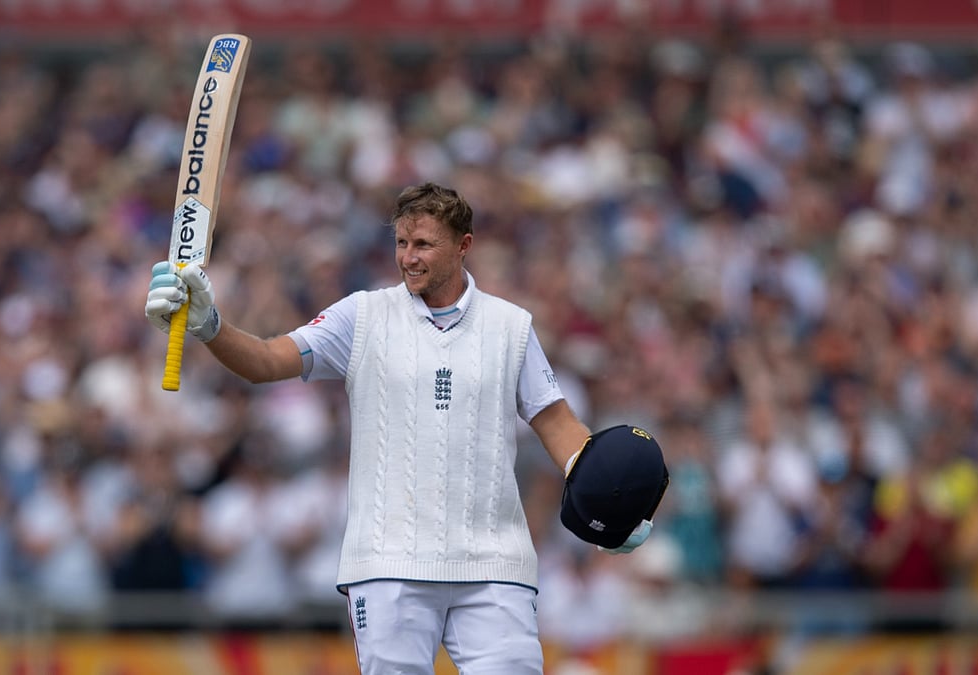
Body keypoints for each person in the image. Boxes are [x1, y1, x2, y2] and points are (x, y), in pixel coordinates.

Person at [145, 182, 654, 674]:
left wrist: (612, 502)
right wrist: (209, 325)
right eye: (402, 243)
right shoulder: (361, 315)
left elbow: (557, 423)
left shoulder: (510, 326)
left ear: (463, 246)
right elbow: (265, 360)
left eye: (423, 244)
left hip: (494, 564)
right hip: (387, 563)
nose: (408, 257)